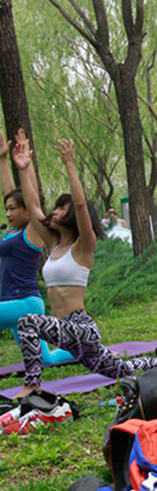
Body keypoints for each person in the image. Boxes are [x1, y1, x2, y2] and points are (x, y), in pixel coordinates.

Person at [13, 133, 157, 398]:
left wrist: (70, 163)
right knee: (119, 369)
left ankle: (33, 385)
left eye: (62, 208)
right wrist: (24, 169)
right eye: (57, 207)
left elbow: (82, 204)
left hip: (79, 327)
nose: (55, 211)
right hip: (66, 332)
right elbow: (34, 205)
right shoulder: (53, 244)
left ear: (72, 216)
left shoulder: (84, 246)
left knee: (27, 322)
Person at [0, 136, 73, 367]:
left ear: (26, 210)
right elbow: (11, 193)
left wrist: (26, 167)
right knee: (46, 359)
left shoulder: (32, 232)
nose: (9, 214)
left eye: (13, 209)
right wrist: (2, 159)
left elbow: (32, 200)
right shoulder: (13, 232)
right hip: (14, 307)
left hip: (25, 304)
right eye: (6, 210)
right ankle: (86, 350)